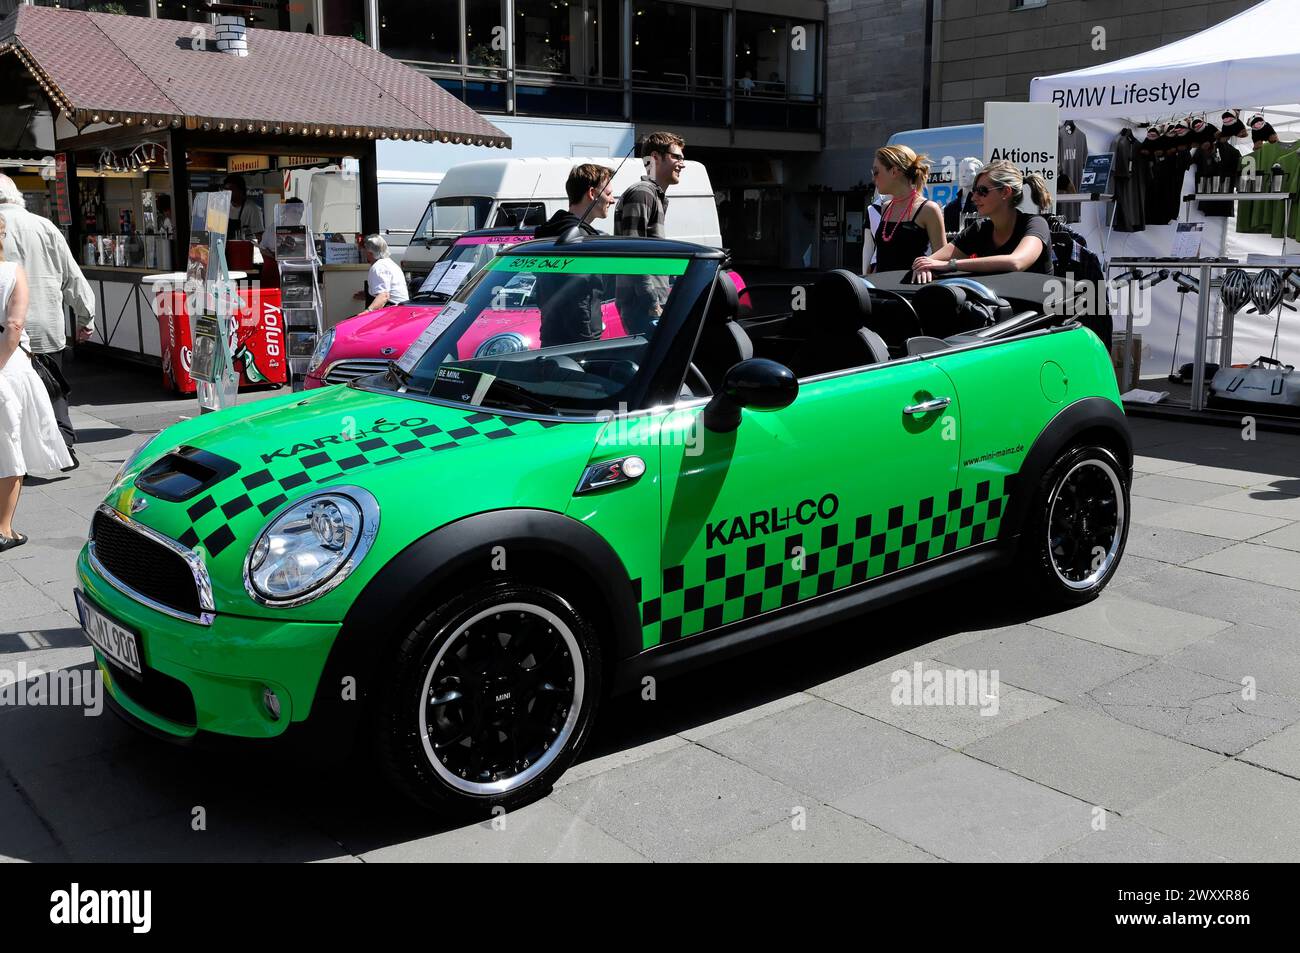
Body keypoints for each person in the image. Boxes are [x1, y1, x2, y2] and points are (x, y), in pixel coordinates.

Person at [0, 173, 94, 464]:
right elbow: (71, 276)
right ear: (17, 195)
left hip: (8, 329)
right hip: (46, 324)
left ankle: (19, 456)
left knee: (12, 394)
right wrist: (85, 316)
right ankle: (64, 445)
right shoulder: (45, 226)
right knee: (53, 388)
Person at [0, 214, 74, 552]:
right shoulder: (11, 271)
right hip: (7, 364)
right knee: (8, 446)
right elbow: (14, 325)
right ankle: (3, 529)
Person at [910, 160, 1054, 282]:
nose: (973, 197)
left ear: (1006, 192)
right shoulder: (979, 229)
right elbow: (932, 260)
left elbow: (1016, 262)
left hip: (1037, 311)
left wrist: (951, 264)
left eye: (982, 191)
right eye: (974, 191)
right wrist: (924, 266)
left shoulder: (1036, 223)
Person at [535, 164, 617, 347]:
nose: (612, 200)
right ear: (592, 193)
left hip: (550, 335)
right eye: (609, 193)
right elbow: (579, 293)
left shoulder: (548, 233)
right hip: (579, 342)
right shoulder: (581, 240)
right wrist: (587, 339)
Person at [614, 131, 684, 332]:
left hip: (650, 305)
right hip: (644, 308)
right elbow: (633, 252)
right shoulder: (642, 193)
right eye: (676, 157)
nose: (682, 164)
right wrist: (652, 303)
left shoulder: (653, 195)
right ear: (655, 158)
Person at [867, 145, 946, 277]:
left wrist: (927, 266)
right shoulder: (886, 206)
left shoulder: (928, 209)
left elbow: (943, 258)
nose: (873, 178)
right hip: (882, 290)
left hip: (910, 291)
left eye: (876, 172)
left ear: (894, 172)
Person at [356, 234, 409, 312]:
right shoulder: (389, 263)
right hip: (401, 308)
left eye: (364, 250)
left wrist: (367, 312)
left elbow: (384, 296)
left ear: (369, 253)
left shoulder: (378, 267)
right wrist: (367, 294)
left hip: (393, 310)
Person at [223, 174, 265, 243]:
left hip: (245, 248)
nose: (228, 193)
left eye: (231, 190)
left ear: (240, 190)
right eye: (226, 190)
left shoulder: (252, 208)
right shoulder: (224, 207)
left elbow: (259, 236)